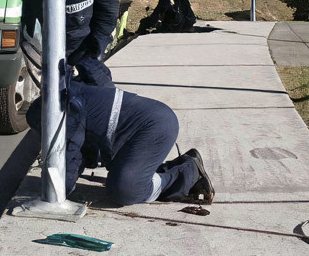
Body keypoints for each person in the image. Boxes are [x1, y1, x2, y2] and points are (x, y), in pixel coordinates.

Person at [26, 63, 212, 206]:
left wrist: (56, 193)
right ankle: (157, 171)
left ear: (45, 121)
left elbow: (69, 159)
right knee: (119, 178)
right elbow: (81, 153)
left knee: (126, 190)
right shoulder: (68, 98)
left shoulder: (68, 113)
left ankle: (187, 170)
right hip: (137, 129)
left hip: (154, 126)